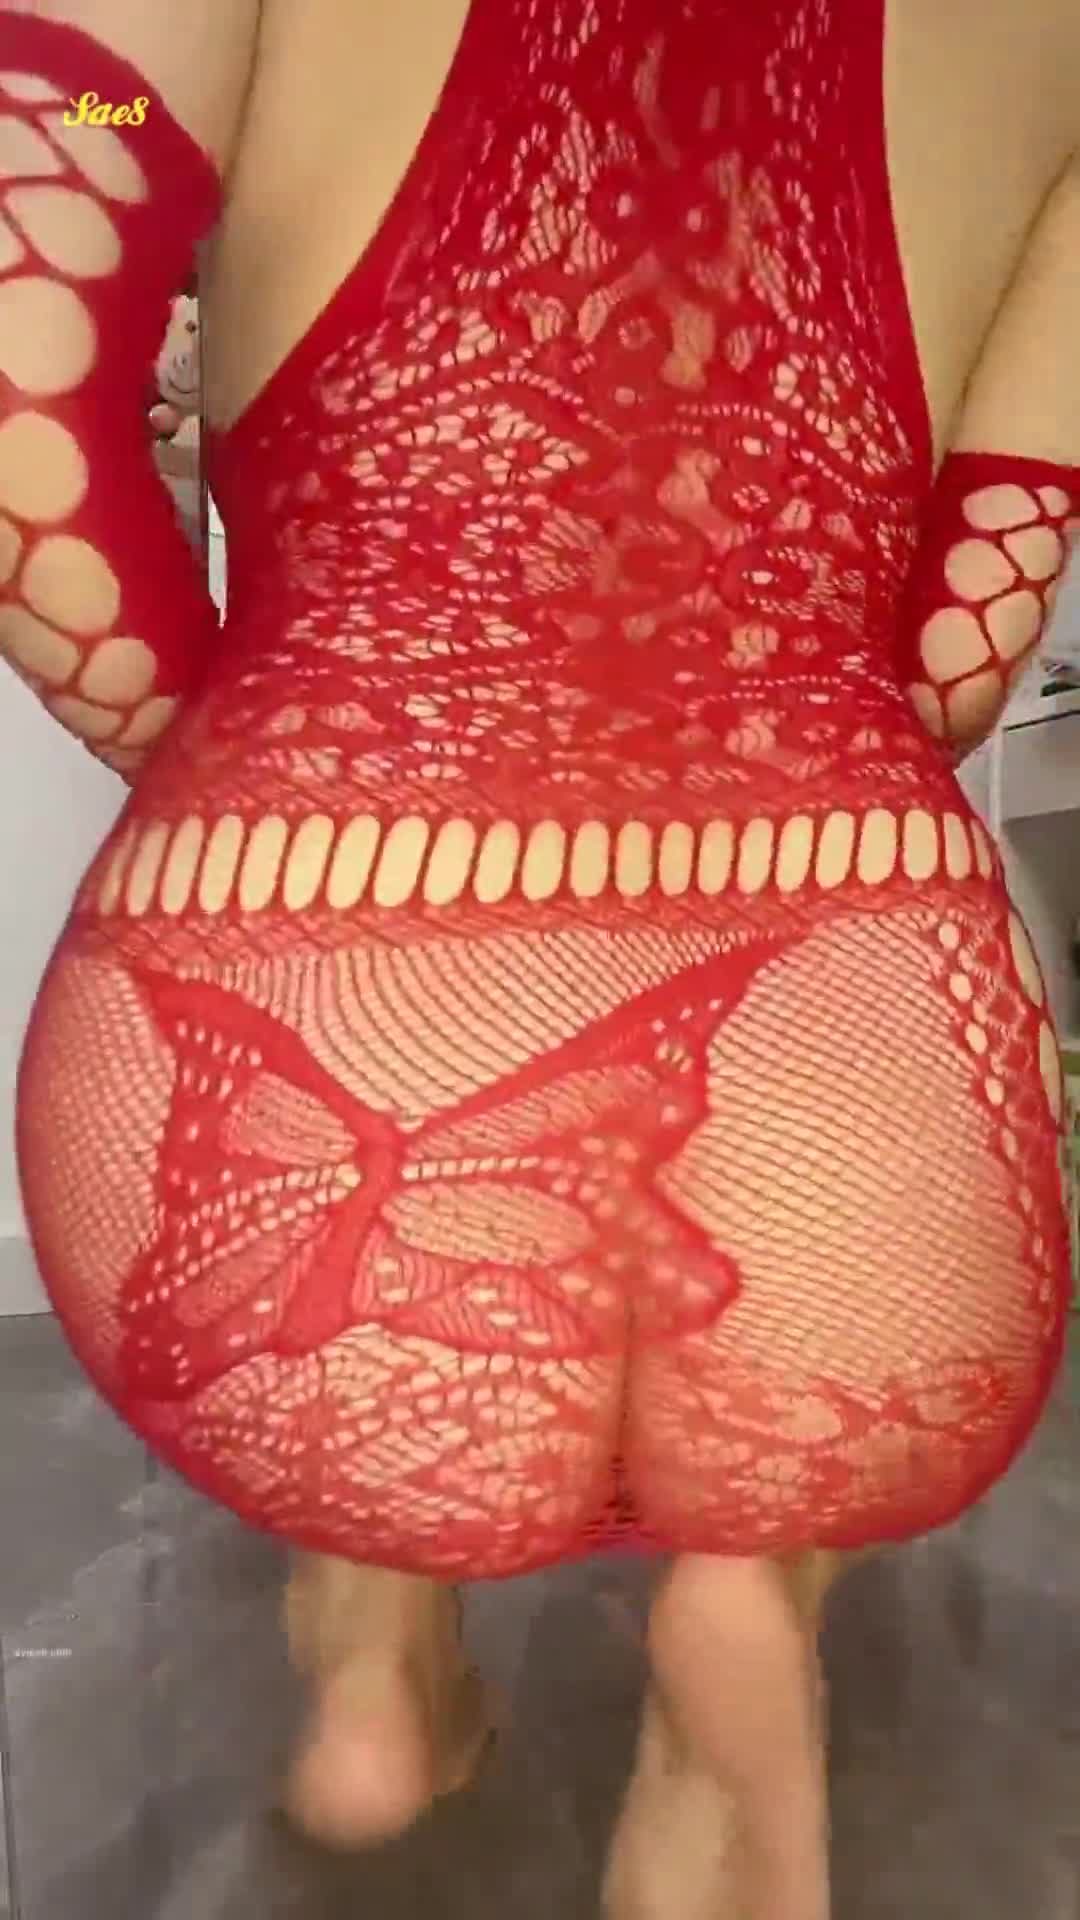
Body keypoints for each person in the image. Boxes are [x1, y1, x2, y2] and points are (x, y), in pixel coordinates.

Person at [2, 1, 1079, 1913]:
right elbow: (977, 608)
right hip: (848, 969)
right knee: (772, 1417)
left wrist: (238, 779)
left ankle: (377, 1674)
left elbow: (24, 400)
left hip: (301, 931)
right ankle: (742, 1631)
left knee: (377, 1272)